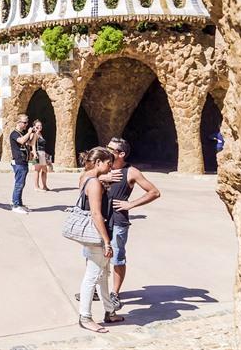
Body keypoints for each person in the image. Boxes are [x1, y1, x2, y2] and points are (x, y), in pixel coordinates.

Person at [103, 137, 161, 309]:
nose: (106, 151)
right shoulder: (103, 167)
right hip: (100, 219)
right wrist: (103, 176)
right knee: (96, 255)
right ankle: (99, 290)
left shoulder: (131, 172)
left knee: (118, 258)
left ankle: (114, 293)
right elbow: (83, 181)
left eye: (110, 149)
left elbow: (154, 192)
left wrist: (131, 204)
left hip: (118, 221)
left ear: (121, 154)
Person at [76, 147, 125, 333]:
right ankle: (85, 316)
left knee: (103, 274)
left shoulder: (85, 177)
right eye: (108, 163)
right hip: (97, 234)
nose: (110, 167)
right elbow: (96, 213)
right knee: (93, 276)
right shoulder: (95, 183)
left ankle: (109, 312)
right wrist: (106, 241)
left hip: (92, 234)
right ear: (98, 163)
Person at [10, 114, 35, 214]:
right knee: (19, 184)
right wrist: (29, 133)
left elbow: (29, 143)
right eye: (24, 122)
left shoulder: (21, 133)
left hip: (24, 162)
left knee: (22, 183)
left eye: (27, 123)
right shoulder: (14, 134)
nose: (26, 125)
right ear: (18, 122)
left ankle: (19, 204)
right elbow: (22, 141)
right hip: (18, 162)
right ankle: (15, 205)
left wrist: (34, 134)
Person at [31, 119, 50, 191]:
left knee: (44, 170)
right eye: (38, 125)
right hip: (37, 153)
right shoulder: (35, 134)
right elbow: (33, 145)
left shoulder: (40, 134)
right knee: (37, 170)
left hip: (42, 153)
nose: (40, 126)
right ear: (34, 126)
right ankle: (36, 186)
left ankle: (44, 186)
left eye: (40, 125)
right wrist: (35, 154)